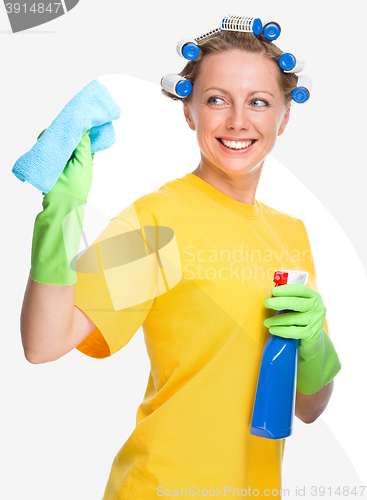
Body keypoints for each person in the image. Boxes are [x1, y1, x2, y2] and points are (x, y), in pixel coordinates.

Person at [21, 24, 341, 499]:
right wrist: (60, 218)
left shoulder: (291, 233)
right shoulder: (159, 221)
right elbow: (44, 342)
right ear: (189, 112)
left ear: (284, 117)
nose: (236, 121)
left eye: (258, 101)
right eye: (216, 100)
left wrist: (316, 344)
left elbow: (308, 408)